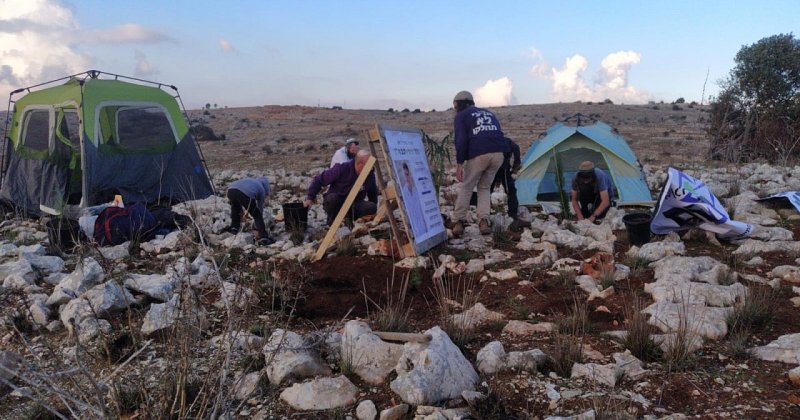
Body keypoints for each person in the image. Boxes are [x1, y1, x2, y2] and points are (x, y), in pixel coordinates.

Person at [451, 90, 509, 236]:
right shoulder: (488, 113)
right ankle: (484, 221)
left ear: (458, 104)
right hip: (498, 153)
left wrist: (459, 163)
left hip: (479, 153)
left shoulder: (461, 116)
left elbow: (461, 140)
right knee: (484, 187)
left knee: (467, 186)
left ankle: (458, 221)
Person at [306, 149, 378, 225]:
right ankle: (332, 223)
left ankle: (349, 220)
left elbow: (372, 193)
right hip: (338, 202)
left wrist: (373, 211)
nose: (371, 168)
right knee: (332, 199)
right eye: (368, 165)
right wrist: (310, 198)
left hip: (354, 205)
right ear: (359, 163)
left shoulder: (370, 175)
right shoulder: (341, 169)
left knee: (371, 207)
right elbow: (318, 180)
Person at [225, 176, 275, 245]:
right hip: (244, 193)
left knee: (235, 209)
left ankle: (234, 228)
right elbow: (260, 208)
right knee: (257, 215)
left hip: (231, 190)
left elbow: (242, 196)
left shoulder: (251, 181)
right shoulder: (262, 189)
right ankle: (264, 237)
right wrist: (257, 221)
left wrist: (246, 210)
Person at [399, 161, 429, 237]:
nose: (406, 178)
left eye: (407, 174)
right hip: (413, 227)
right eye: (404, 175)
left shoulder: (417, 190)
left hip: (423, 226)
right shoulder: (403, 192)